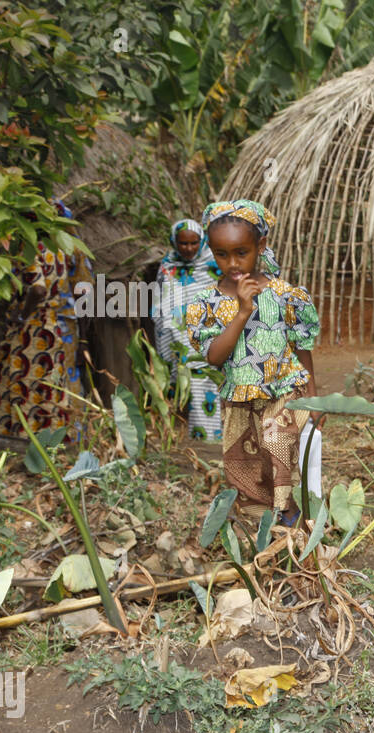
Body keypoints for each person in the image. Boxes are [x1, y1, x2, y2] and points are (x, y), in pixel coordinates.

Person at [185, 199, 323, 525]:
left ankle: (292, 521)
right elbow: (215, 356)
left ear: (261, 245)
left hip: (283, 392)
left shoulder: (284, 294)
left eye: (241, 252)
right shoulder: (207, 304)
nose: (232, 263)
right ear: (211, 251)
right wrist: (242, 312)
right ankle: (262, 530)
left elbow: (302, 347)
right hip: (239, 400)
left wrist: (315, 396)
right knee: (245, 467)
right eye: (221, 254)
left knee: (279, 450)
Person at [0, 200, 92, 438]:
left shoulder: (29, 249)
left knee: (25, 382)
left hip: (32, 329)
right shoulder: (59, 251)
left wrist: (21, 315)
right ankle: (52, 439)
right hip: (52, 327)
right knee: (48, 386)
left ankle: (22, 439)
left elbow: (38, 289)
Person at [153, 218, 223, 441]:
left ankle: (207, 437)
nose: (189, 248)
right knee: (178, 383)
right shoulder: (167, 266)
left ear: (202, 240)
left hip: (205, 337)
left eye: (194, 243)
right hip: (174, 337)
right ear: (174, 242)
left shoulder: (214, 266)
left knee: (203, 383)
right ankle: (180, 438)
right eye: (183, 244)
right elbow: (159, 303)